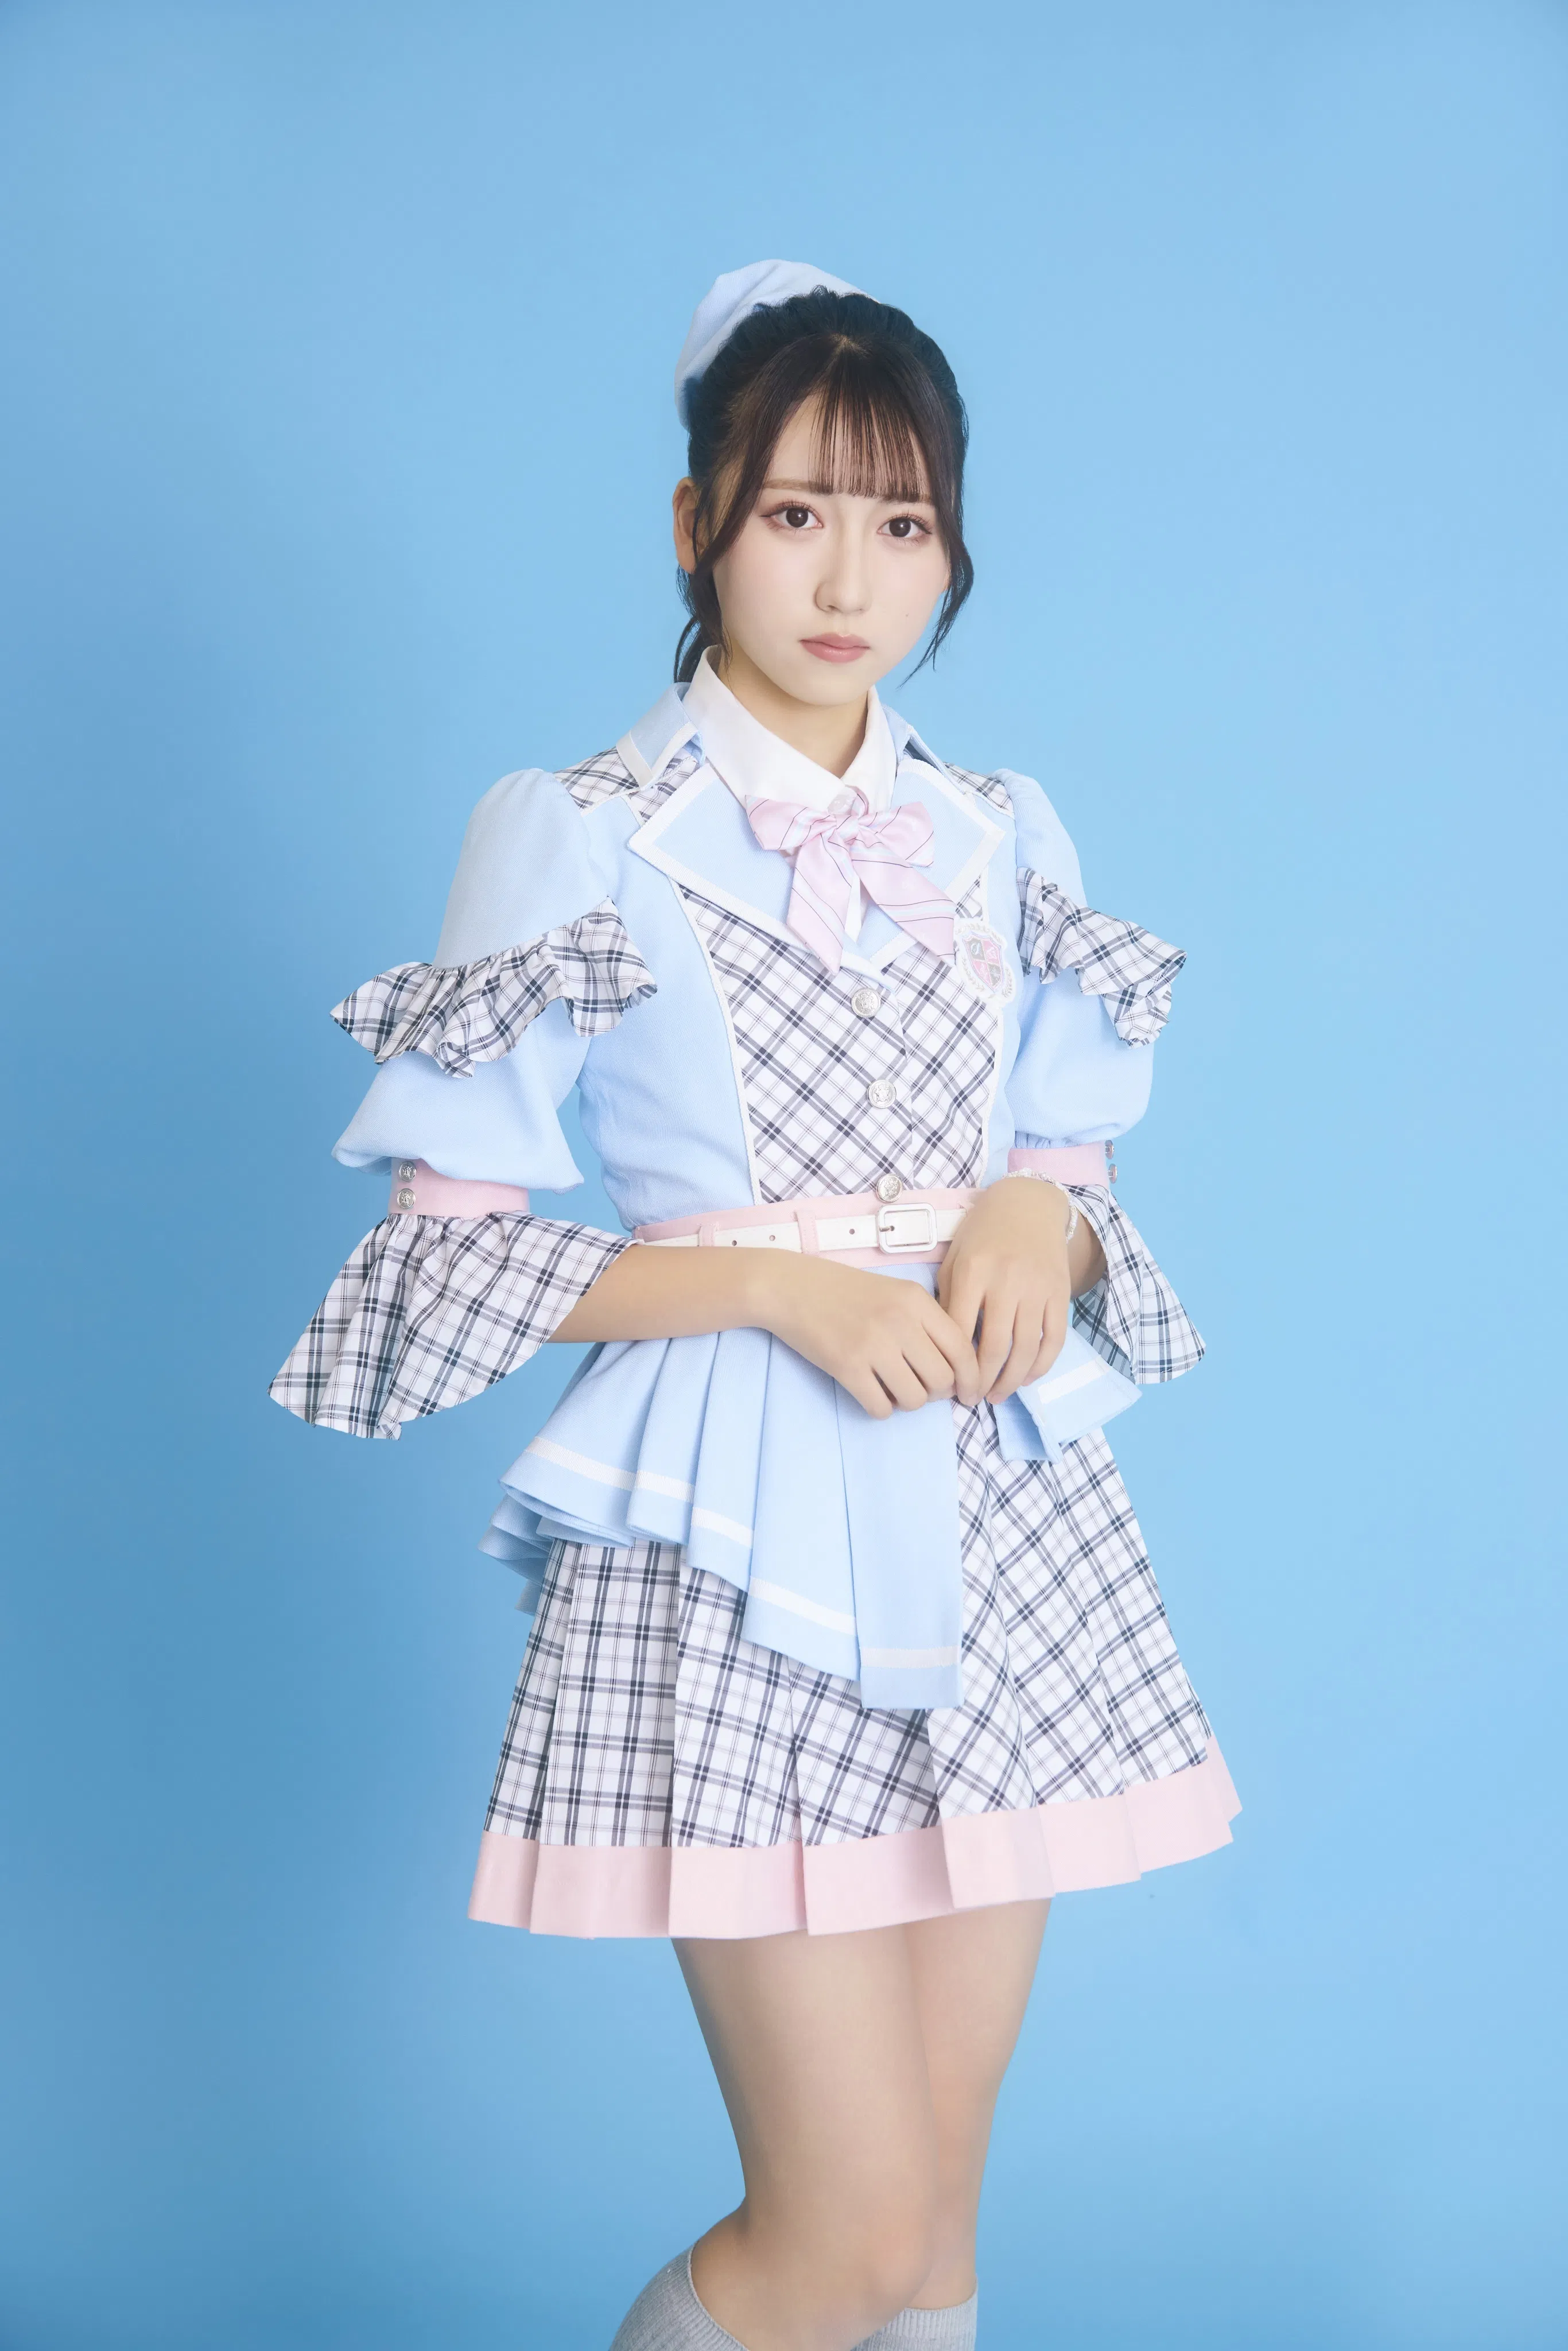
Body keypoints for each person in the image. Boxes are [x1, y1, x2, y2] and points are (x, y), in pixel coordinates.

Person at [273, 259, 1238, 2351]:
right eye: (795, 510)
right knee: (845, 2235)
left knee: (937, 2237)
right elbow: (446, 1249)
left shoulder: (994, 829)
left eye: (902, 522)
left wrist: (1038, 1216)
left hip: (996, 1511)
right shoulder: (583, 834)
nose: (848, 578)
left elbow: (1067, 1168)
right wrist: (780, 1290)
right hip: (738, 1533)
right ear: (695, 519)